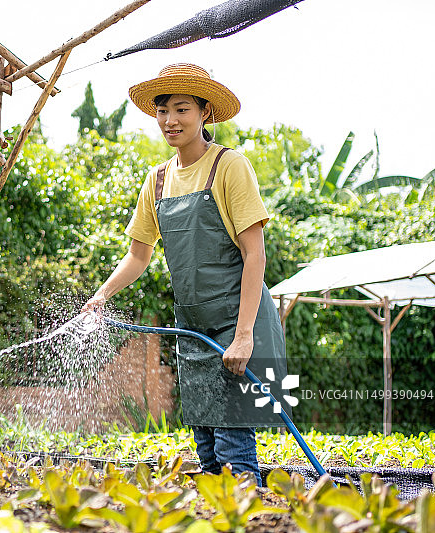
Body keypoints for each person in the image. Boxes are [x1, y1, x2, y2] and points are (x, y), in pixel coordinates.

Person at [83, 63, 289, 486]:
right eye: (162, 111)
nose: (170, 121)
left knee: (233, 452)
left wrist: (244, 335)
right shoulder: (156, 181)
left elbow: (255, 255)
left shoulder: (230, 166)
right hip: (193, 331)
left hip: (238, 322)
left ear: (204, 112)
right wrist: (101, 296)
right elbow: (138, 256)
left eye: (181, 109)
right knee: (207, 452)